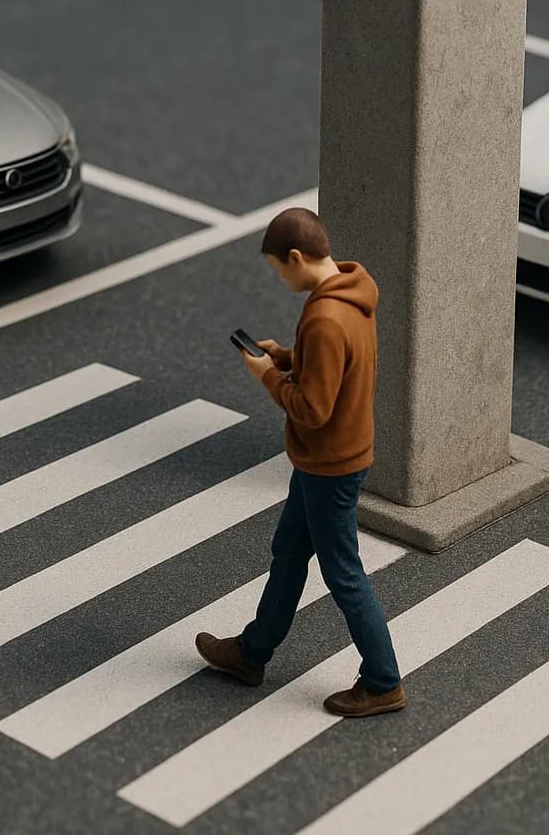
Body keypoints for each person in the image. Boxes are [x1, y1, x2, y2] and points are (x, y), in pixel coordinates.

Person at [195, 208, 405, 718]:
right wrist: (287, 357)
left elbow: (313, 408)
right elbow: (338, 362)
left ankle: (383, 680)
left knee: (344, 573)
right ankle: (251, 653)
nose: (280, 278)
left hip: (329, 463)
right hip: (333, 458)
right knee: (289, 550)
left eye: (278, 269)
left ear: (295, 257)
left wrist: (268, 377)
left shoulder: (325, 315)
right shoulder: (352, 291)